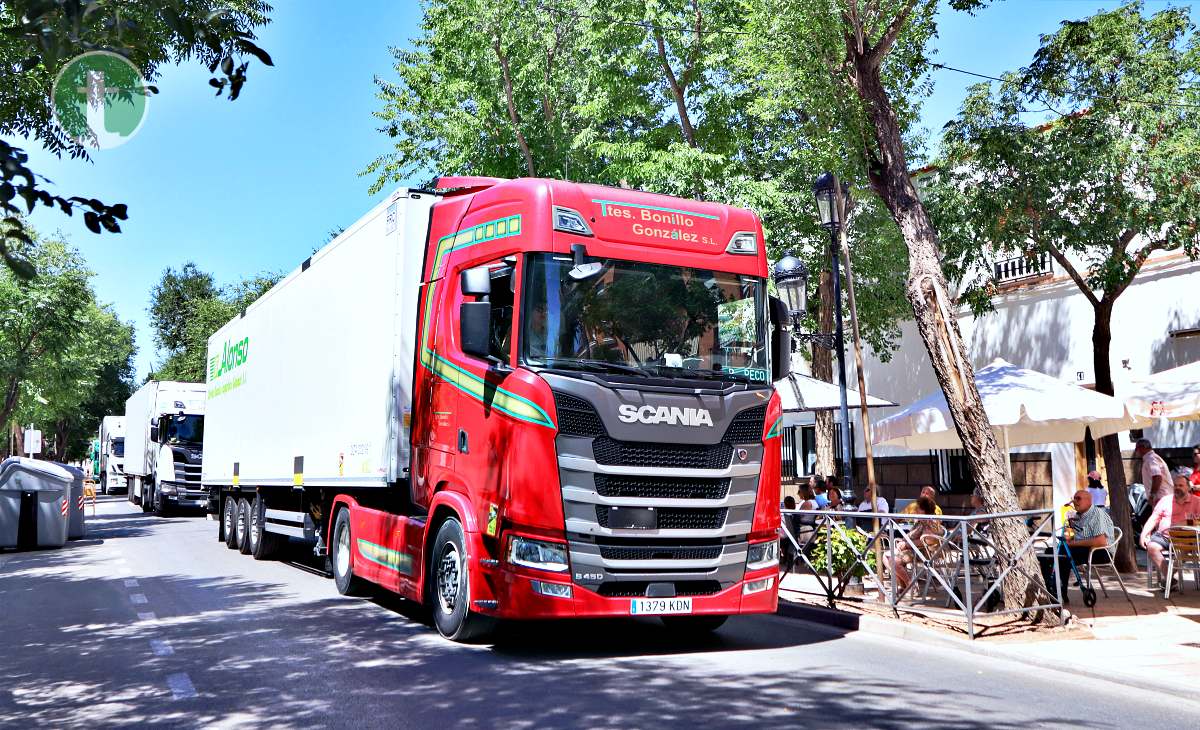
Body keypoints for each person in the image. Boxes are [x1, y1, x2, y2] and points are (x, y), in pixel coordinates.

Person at [1037, 489, 1114, 603]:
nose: (1075, 501)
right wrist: (1070, 535)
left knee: (1063, 555)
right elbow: (1076, 537)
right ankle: (1050, 588)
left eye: (1078, 498)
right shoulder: (1078, 516)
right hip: (1083, 549)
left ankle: (1059, 593)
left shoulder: (1096, 514)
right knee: (1049, 553)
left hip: (1101, 552)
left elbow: (1101, 541)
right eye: (1074, 499)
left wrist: (1073, 543)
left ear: (1089, 501)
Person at [1139, 468, 1200, 593]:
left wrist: (1183, 523)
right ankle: (1169, 579)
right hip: (1165, 537)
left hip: (1187, 538)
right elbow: (1153, 519)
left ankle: (1168, 579)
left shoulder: (1197, 502)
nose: (1177, 488)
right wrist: (1144, 534)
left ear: (1188, 488)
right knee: (1151, 546)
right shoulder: (1165, 500)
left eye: (1181, 485)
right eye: (1176, 485)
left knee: (1183, 549)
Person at [882, 496, 941, 593]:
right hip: (912, 550)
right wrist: (903, 542)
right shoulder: (920, 521)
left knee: (893, 560)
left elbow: (928, 540)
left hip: (922, 552)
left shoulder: (930, 522)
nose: (916, 510)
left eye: (919, 508)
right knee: (885, 556)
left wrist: (907, 544)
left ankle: (910, 584)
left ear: (925, 510)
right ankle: (903, 584)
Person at [1134, 437, 1171, 506]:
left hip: (1161, 499)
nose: (1136, 451)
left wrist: (1152, 495)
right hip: (1163, 498)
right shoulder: (1152, 458)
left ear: (1143, 447)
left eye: (1137, 448)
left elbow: (1157, 476)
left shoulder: (1150, 459)